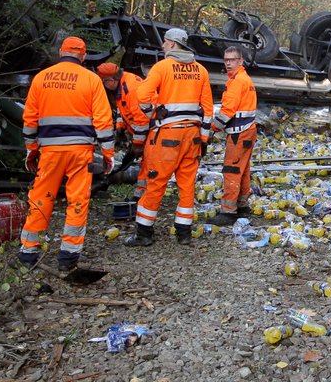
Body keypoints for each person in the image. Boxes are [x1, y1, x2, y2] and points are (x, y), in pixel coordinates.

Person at [18, 37, 115, 270]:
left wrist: (31, 151)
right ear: (83, 56)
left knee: (41, 198)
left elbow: (29, 119)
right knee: (77, 201)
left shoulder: (42, 78)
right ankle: (68, 257)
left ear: (61, 53)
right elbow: (103, 120)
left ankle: (28, 254)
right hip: (80, 152)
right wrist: (108, 153)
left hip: (49, 151)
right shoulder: (91, 79)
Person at [125, 27, 213, 247]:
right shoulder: (200, 70)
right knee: (187, 186)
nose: (163, 46)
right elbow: (208, 110)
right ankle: (183, 233)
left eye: (165, 42)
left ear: (172, 44)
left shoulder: (162, 67)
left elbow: (141, 95)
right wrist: (202, 140)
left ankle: (144, 234)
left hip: (166, 137)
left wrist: (152, 112)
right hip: (191, 136)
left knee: (155, 184)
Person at [207, 46, 258, 226]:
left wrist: (211, 129)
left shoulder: (237, 82)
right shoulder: (245, 79)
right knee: (243, 170)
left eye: (232, 60)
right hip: (248, 131)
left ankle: (228, 211)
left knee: (232, 170)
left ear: (240, 61)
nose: (228, 63)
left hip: (239, 133)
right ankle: (242, 205)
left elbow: (227, 111)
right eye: (226, 60)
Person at [96, 62, 151, 200]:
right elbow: (124, 108)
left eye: (104, 82)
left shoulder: (130, 89)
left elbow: (141, 119)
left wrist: (137, 144)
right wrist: (120, 127)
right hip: (145, 130)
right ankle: (141, 195)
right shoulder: (122, 84)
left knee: (148, 164)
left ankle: (143, 197)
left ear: (111, 80)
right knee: (145, 163)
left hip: (151, 130)